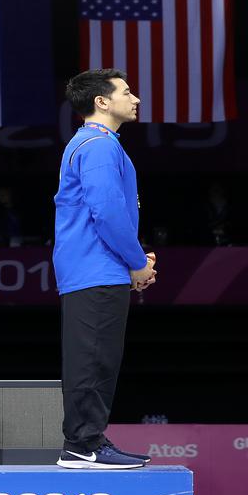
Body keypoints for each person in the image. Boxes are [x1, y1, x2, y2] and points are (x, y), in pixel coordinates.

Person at [53, 69, 155, 470]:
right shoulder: (97, 145)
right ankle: (82, 444)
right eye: (127, 92)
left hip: (100, 268)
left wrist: (134, 259)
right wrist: (136, 262)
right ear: (101, 102)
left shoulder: (98, 144)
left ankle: (86, 440)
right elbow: (108, 212)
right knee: (92, 360)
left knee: (98, 360)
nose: (136, 99)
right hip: (96, 269)